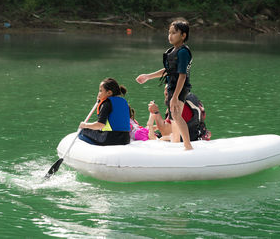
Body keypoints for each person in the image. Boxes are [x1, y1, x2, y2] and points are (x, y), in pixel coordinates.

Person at [136, 19, 193, 150]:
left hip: (180, 88)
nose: (170, 35)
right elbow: (168, 71)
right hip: (173, 87)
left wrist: (175, 97)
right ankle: (180, 142)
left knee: (177, 116)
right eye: (169, 33)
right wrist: (148, 76)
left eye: (174, 33)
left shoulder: (183, 52)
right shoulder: (171, 51)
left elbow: (182, 76)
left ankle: (188, 146)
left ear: (183, 35)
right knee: (174, 116)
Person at [147, 86, 211, 141]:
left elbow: (165, 132)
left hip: (183, 142)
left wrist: (155, 112)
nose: (165, 92)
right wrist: (156, 127)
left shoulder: (181, 107)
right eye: (165, 89)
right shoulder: (188, 99)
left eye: (168, 89)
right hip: (194, 135)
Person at [78, 78, 130, 145]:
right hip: (125, 139)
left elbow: (100, 125)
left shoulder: (106, 103)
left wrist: (85, 125)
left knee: (82, 132)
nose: (98, 93)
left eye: (100, 91)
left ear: (109, 93)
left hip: (110, 138)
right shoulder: (124, 102)